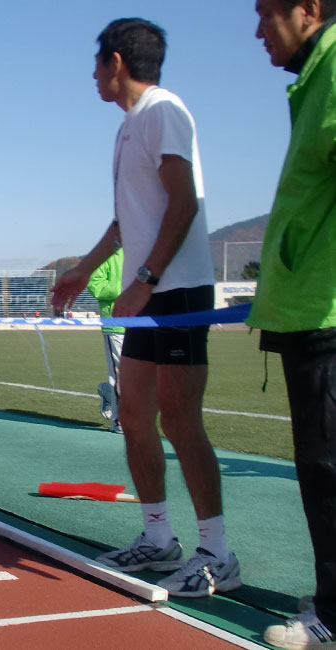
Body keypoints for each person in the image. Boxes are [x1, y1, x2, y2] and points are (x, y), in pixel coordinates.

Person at [52, 18, 241, 598]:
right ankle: (158, 539)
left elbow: (184, 203)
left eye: (96, 65)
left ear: (115, 62)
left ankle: (218, 554)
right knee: (134, 418)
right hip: (147, 292)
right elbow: (126, 219)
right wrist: (83, 268)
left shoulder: (163, 110)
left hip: (177, 292)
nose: (92, 77)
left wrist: (147, 278)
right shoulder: (128, 128)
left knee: (181, 423)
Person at [248, 1, 336, 647]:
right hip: (309, 309)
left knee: (328, 466)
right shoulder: (314, 77)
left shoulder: (334, 66)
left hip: (325, 312)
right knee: (322, 465)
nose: (258, 31)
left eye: (265, 13)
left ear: (307, 8)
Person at [87, 247, 125, 433]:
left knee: (144, 375)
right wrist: (123, 289)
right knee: (120, 375)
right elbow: (95, 285)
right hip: (116, 325)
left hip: (144, 323)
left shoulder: (145, 251)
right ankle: (119, 420)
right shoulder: (107, 254)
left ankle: (107, 392)